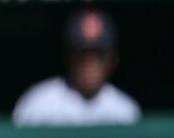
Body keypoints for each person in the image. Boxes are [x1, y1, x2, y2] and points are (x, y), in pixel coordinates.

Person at [13, 9, 141, 126]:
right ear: (68, 57)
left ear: (113, 59)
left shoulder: (125, 111)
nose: (90, 62)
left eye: (99, 53)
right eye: (82, 53)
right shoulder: (38, 104)